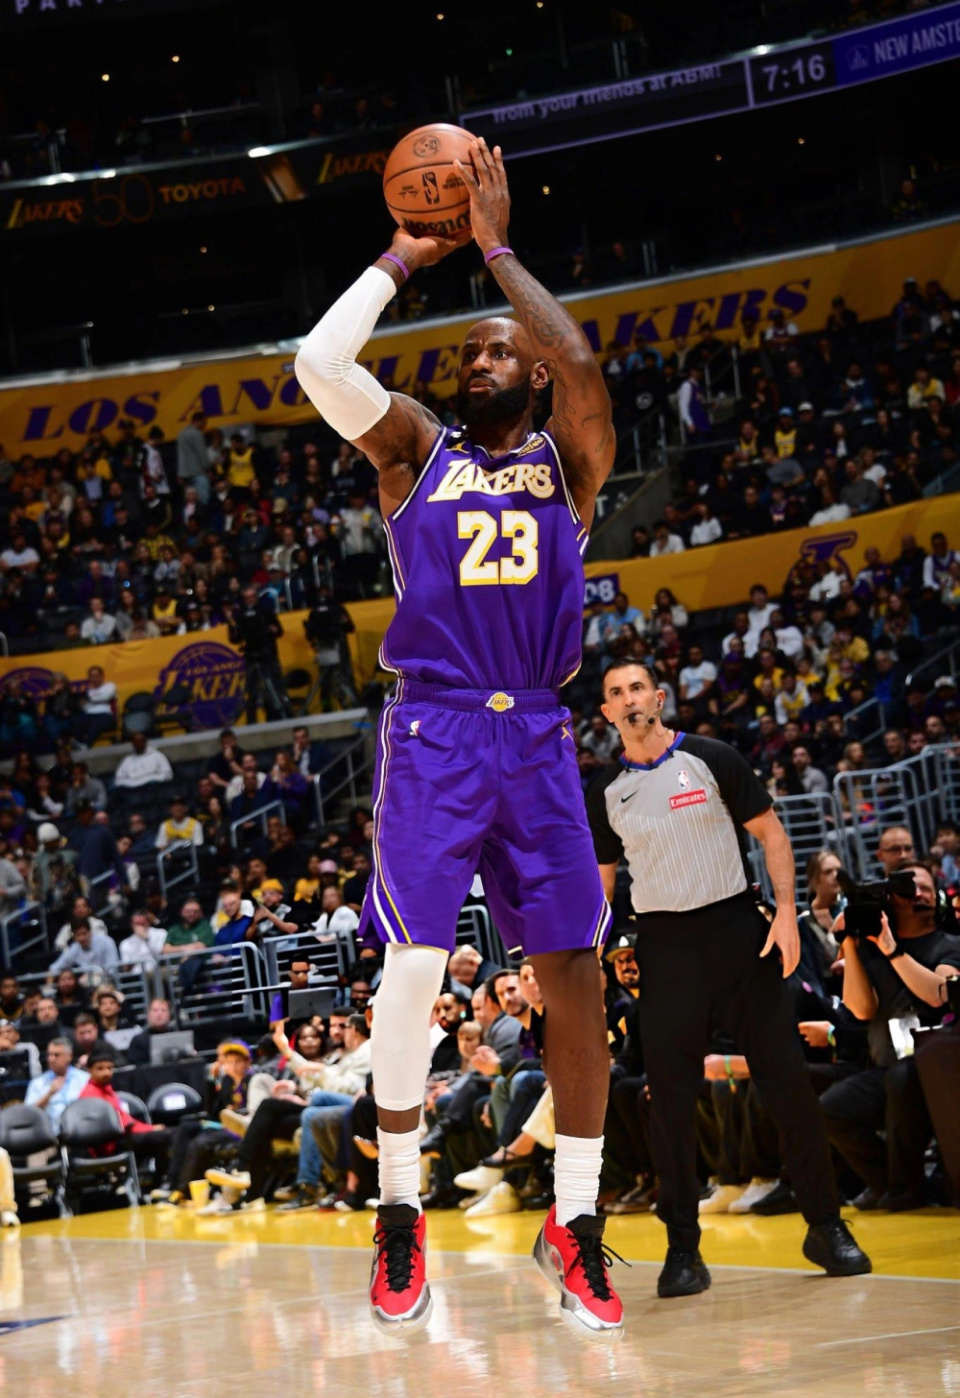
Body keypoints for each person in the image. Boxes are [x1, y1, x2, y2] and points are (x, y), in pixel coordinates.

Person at [294, 137, 621, 1335]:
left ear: (529, 377)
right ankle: (399, 1206)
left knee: (574, 974)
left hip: (536, 732)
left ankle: (575, 1222)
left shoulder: (570, 464)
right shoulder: (415, 451)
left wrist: (495, 247)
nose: (479, 359)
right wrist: (400, 257)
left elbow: (579, 361)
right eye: (467, 351)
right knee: (414, 968)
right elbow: (318, 362)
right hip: (435, 731)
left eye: (498, 350)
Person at [586, 659, 871, 1297]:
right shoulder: (603, 792)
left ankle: (826, 1225)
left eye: (637, 688)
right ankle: (683, 1249)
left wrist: (788, 914)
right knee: (669, 1106)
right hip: (664, 950)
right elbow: (601, 887)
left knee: (788, 1085)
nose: (629, 700)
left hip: (739, 933)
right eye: (616, 694)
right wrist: (594, 956)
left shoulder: (712, 757)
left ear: (659, 697)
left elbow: (772, 835)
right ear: (606, 713)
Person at [820, 862, 960, 1209]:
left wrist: (892, 950)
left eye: (926, 887)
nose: (920, 893)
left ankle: (904, 1186)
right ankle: (895, 1183)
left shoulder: (949, 944)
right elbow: (861, 1009)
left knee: (901, 1077)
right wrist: (851, 943)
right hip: (887, 1066)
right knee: (830, 1109)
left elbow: (938, 994)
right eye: (910, 888)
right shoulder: (871, 949)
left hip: (938, 1070)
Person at [25, 1037, 89, 1131]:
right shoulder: (38, 1083)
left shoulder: (85, 1079)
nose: (51, 1059)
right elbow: (28, 1114)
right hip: (51, 1135)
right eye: (49, 1055)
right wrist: (49, 1094)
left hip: (82, 1131)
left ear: (70, 1056)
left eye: (56, 1055)